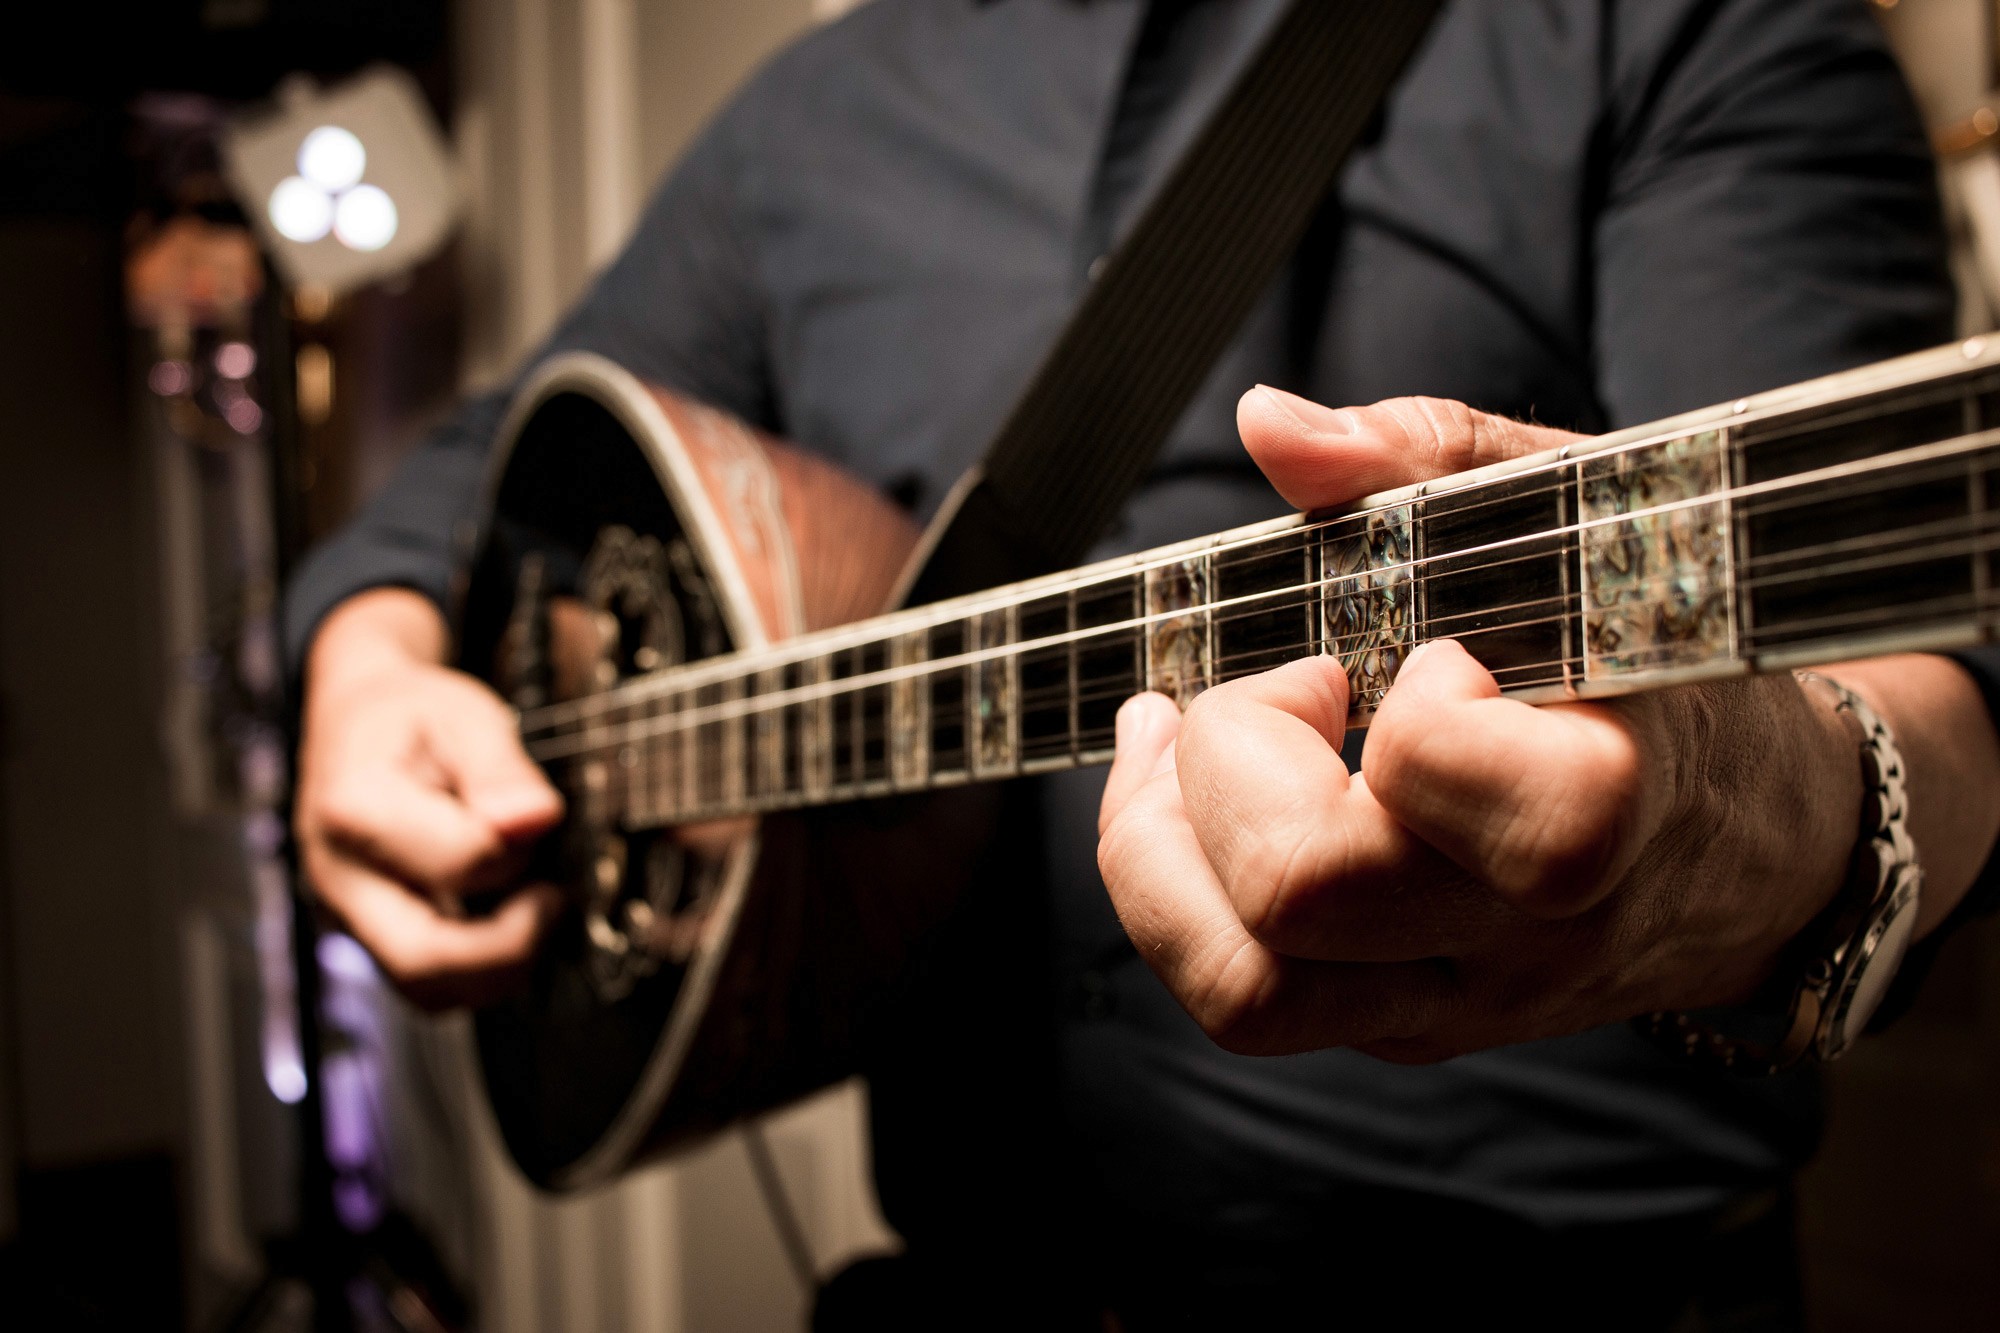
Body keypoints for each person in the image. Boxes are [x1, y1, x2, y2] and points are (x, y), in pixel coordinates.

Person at [287, 0, 2000, 1326]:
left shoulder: (1680, 20)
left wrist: (1768, 805)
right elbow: (482, 462)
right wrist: (367, 658)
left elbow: (1920, 666)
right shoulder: (816, 114)